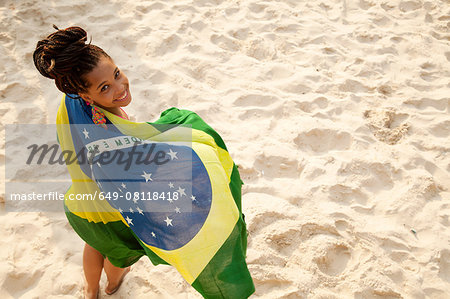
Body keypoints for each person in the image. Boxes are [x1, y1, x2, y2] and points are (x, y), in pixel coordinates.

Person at [33, 25, 255, 299]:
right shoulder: (115, 128)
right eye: (105, 87)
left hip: (86, 204)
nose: (119, 88)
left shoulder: (71, 103)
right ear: (87, 96)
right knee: (119, 254)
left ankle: (91, 291)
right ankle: (112, 286)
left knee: (94, 245)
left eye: (116, 74)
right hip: (114, 211)